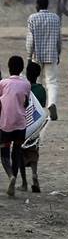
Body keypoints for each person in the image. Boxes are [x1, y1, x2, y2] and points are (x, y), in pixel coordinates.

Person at [25, 0, 62, 121]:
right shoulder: (55, 18)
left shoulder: (32, 18)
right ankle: (52, 104)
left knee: (37, 83)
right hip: (51, 54)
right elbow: (58, 39)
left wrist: (29, 56)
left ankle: (38, 110)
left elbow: (30, 40)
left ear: (38, 5)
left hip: (37, 55)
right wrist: (58, 53)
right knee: (52, 82)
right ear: (47, 5)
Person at [1, 56, 32, 196]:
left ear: (8, 67)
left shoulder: (3, 83)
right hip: (21, 125)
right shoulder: (26, 84)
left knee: (4, 154)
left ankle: (10, 177)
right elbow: (26, 103)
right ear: (21, 69)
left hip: (5, 124)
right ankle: (14, 178)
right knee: (17, 152)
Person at [20, 61, 45, 193]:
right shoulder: (41, 90)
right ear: (38, 74)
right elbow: (42, 106)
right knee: (34, 151)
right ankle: (34, 175)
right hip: (35, 126)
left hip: (23, 125)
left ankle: (24, 182)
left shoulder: (23, 87)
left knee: (20, 152)